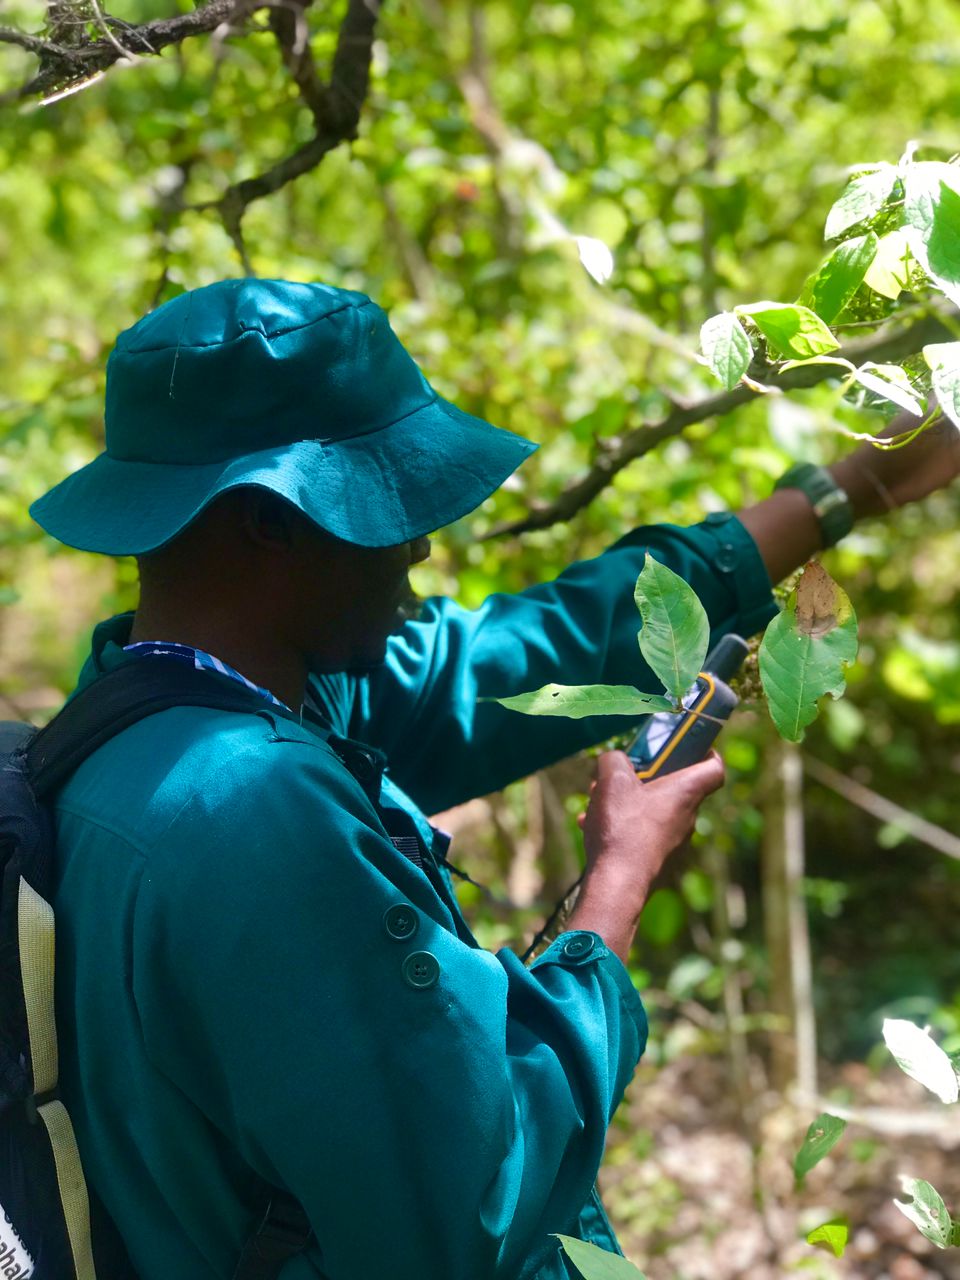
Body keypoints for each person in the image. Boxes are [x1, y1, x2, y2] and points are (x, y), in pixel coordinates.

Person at [28, 278, 960, 1280]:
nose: (420, 547)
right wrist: (620, 877)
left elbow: (537, 646)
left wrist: (852, 488)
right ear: (269, 521)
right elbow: (475, 1202)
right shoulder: (252, 815)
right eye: (387, 507)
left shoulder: (157, 712)